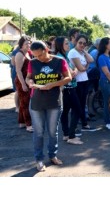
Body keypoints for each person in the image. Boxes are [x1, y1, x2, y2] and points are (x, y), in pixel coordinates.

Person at [25, 40, 72, 172]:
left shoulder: (59, 61)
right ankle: (39, 160)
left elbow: (68, 77)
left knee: (53, 132)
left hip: (54, 101)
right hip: (36, 102)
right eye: (34, 55)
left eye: (39, 55)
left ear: (46, 49)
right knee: (38, 133)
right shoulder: (32, 62)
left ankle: (53, 155)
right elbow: (28, 77)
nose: (37, 58)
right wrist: (30, 82)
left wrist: (52, 84)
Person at [55, 36, 83, 145]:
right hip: (67, 88)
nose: (68, 45)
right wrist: (73, 71)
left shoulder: (64, 56)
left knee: (65, 111)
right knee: (77, 109)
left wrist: (74, 70)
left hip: (68, 87)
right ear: (60, 45)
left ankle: (66, 134)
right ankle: (71, 136)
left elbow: (74, 68)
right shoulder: (60, 58)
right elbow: (69, 72)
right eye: (66, 43)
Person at [68, 34, 96, 132]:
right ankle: (74, 127)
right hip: (77, 82)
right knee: (76, 105)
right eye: (80, 42)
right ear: (76, 42)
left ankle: (84, 124)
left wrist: (84, 52)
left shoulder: (81, 52)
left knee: (83, 104)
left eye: (84, 43)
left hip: (84, 80)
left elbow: (91, 60)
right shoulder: (73, 52)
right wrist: (87, 65)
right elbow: (81, 68)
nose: (82, 45)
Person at [15, 36, 33, 132]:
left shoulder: (28, 53)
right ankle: (28, 125)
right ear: (21, 45)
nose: (28, 45)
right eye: (26, 43)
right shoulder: (20, 54)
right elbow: (18, 71)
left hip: (27, 80)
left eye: (29, 43)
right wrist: (23, 84)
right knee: (25, 103)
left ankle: (21, 122)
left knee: (23, 103)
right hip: (21, 81)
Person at [10, 45, 20, 112]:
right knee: (17, 90)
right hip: (16, 72)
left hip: (23, 72)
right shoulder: (15, 51)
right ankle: (17, 107)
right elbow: (13, 63)